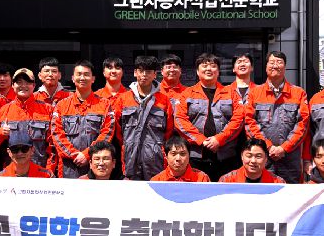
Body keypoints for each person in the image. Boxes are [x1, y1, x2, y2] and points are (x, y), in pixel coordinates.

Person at [174, 53, 244, 181]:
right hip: (196, 156)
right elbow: (180, 120)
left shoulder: (231, 93)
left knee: (225, 190)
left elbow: (238, 119)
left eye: (213, 66)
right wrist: (201, 140)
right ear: (197, 71)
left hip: (226, 156)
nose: (208, 69)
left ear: (218, 71)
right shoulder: (187, 94)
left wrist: (219, 139)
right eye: (204, 66)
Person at [245, 51, 309, 183]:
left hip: (290, 158)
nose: (275, 65)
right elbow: (250, 122)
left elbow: (303, 124)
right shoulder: (254, 93)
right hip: (262, 157)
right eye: (272, 62)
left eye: (279, 62)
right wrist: (268, 147)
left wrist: (284, 148)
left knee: (291, 192)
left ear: (285, 67)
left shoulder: (298, 93)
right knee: (263, 192)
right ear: (266, 66)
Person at [51, 60, 115, 178]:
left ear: (93, 79)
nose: (82, 78)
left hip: (95, 165)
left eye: (86, 74)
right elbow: (56, 134)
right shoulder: (61, 105)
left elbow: (107, 133)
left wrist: (87, 155)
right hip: (68, 165)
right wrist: (74, 155)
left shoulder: (105, 104)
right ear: (73, 78)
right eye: (79, 74)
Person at [114, 56, 173, 180]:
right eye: (141, 71)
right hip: (130, 156)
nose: (144, 75)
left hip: (155, 157)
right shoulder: (123, 99)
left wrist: (158, 148)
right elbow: (118, 129)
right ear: (135, 73)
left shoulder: (164, 100)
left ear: (155, 74)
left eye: (148, 71)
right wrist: (127, 144)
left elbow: (169, 130)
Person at [0, 68, 54, 171]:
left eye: (27, 82)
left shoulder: (48, 109)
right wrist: (1, 133)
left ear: (34, 85)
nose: (23, 86)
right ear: (13, 85)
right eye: (19, 82)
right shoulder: (3, 110)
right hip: (12, 172)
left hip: (40, 171)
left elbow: (53, 146)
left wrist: (49, 171)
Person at [219, 138, 285, 183]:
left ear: (266, 158)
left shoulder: (278, 183)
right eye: (249, 156)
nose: (253, 161)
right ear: (242, 156)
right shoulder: (226, 181)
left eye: (258, 156)